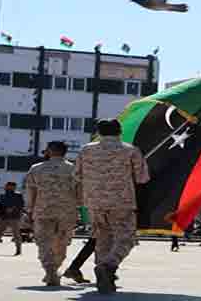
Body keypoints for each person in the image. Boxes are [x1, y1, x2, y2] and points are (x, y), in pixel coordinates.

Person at [75, 118, 150, 294]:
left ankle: (104, 275)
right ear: (119, 132)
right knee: (126, 238)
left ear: (98, 133)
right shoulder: (130, 150)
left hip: (94, 202)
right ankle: (108, 266)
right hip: (121, 201)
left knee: (102, 239)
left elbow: (77, 175)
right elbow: (142, 178)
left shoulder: (86, 150)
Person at [26, 141, 81, 286]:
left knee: (44, 243)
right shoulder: (73, 169)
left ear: (49, 151)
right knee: (61, 243)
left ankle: (50, 271)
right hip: (66, 212)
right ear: (65, 152)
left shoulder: (36, 169)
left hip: (43, 211)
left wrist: (30, 209)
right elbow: (80, 192)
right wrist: (78, 205)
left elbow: (30, 191)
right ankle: (53, 269)